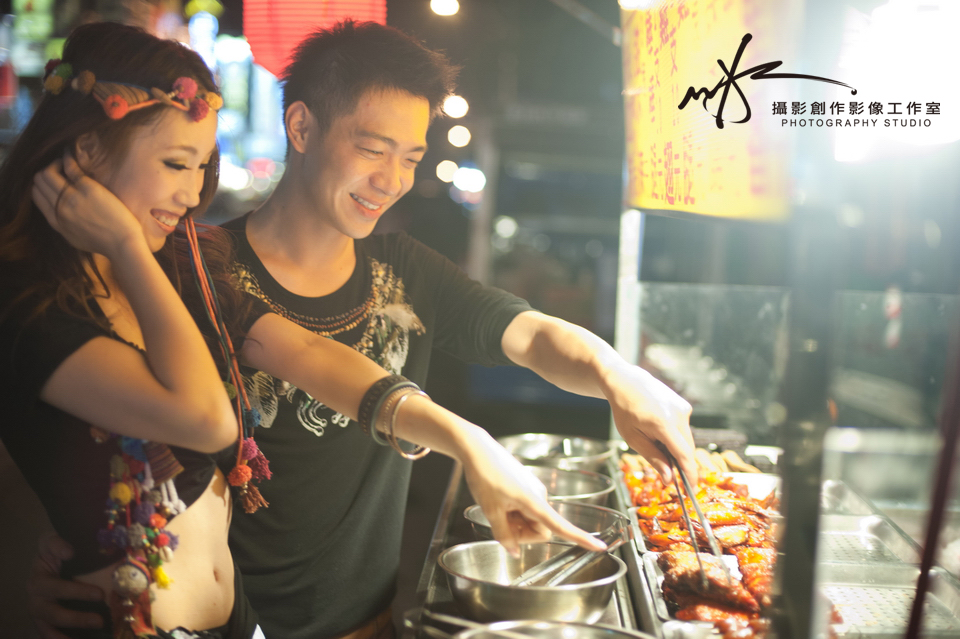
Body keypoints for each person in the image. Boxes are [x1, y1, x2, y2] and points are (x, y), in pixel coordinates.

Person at [11, 20, 603, 639]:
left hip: (248, 622)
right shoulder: (68, 298)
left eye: (202, 166)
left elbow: (309, 354)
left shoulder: (190, 268)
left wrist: (479, 440)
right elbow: (201, 421)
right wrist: (127, 247)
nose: (191, 194)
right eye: (174, 163)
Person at [217, 20, 697, 639]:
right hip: (234, 623)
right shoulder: (209, 271)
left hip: (372, 623)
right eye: (373, 150)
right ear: (302, 127)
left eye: (411, 158)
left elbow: (529, 334)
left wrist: (616, 374)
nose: (392, 180)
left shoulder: (405, 271)